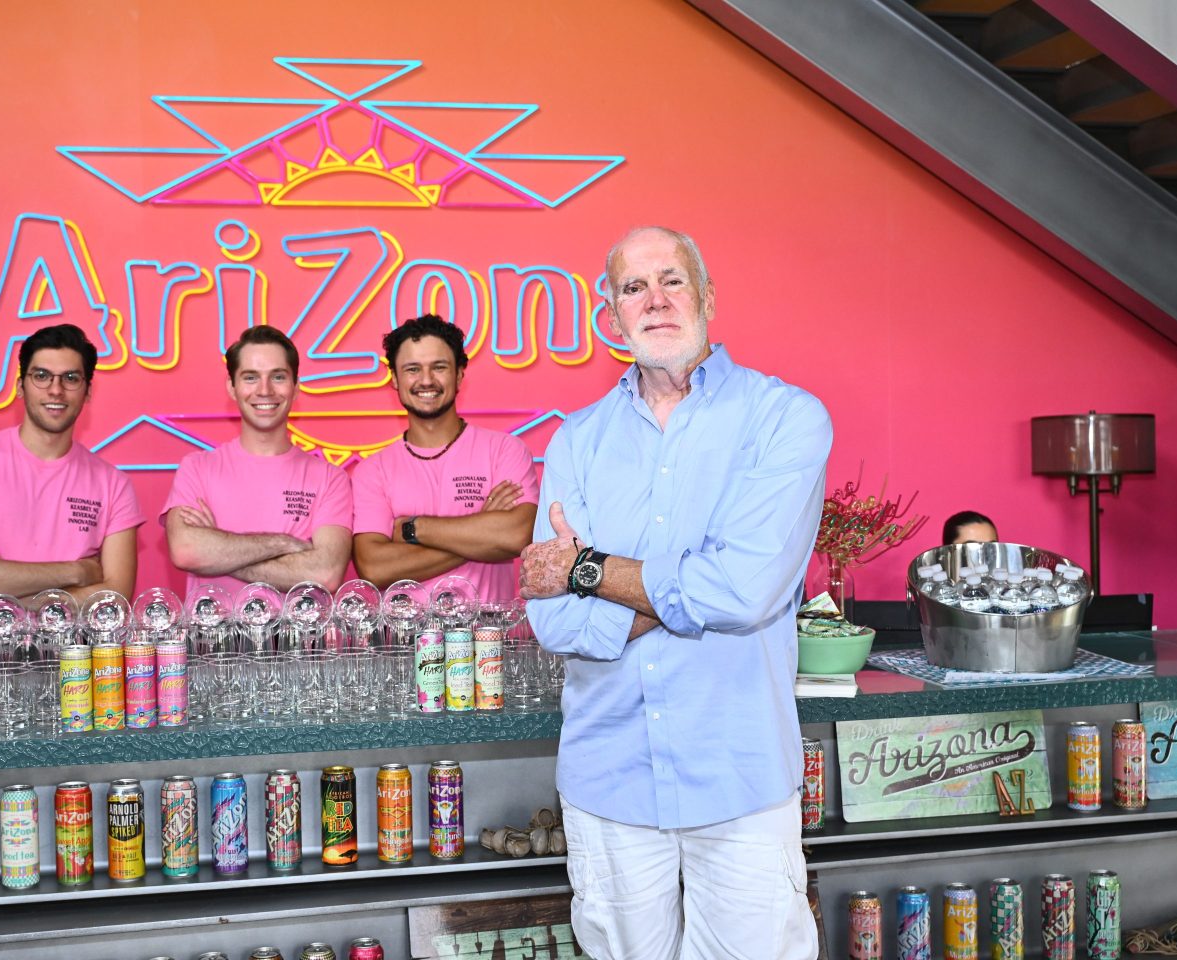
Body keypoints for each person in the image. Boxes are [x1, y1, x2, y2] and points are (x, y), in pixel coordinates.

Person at [520, 226, 832, 960]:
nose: (654, 300)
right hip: (610, 778)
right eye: (634, 287)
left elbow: (743, 592)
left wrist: (588, 568)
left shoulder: (784, 419)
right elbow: (553, 617)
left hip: (739, 774)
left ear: (708, 298)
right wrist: (683, 588)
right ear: (611, 311)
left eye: (672, 280)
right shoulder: (577, 441)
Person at [0, 323, 143, 601]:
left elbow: (115, 597)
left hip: (77, 646)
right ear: (19, 387)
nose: (56, 390)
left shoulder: (113, 484)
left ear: (87, 392)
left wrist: (7, 591)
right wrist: (76, 572)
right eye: (41, 376)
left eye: (71, 378)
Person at [351, 314, 537, 597]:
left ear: (459, 374)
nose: (426, 380)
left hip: (489, 637)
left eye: (439, 367)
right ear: (394, 379)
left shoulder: (504, 450)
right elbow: (375, 568)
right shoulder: (372, 470)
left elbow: (515, 536)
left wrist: (412, 529)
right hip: (407, 640)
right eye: (412, 369)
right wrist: (479, 534)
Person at [162, 326, 352, 594]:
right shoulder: (197, 468)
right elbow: (186, 550)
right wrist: (284, 543)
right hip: (212, 635)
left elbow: (325, 573)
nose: (264, 390)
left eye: (278, 376)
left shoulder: (330, 478)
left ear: (296, 387)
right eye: (250, 377)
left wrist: (217, 552)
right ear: (232, 387)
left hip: (296, 637)